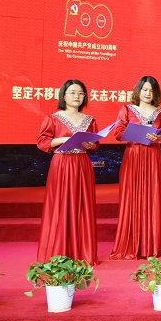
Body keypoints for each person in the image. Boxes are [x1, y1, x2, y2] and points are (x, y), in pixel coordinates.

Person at [35, 79, 99, 265]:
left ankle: (83, 253)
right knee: (60, 205)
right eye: (72, 92)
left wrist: (91, 145)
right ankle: (59, 252)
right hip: (62, 164)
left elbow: (95, 145)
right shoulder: (53, 118)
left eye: (81, 93)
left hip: (82, 164)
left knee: (83, 206)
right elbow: (42, 142)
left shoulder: (90, 120)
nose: (77, 96)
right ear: (63, 95)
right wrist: (62, 140)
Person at [109, 76, 161, 260]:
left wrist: (159, 138)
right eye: (144, 90)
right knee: (132, 196)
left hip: (153, 156)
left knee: (152, 196)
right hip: (134, 155)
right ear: (138, 91)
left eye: (151, 90)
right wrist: (136, 133)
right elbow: (118, 133)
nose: (148, 93)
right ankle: (131, 244)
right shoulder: (127, 109)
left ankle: (150, 245)